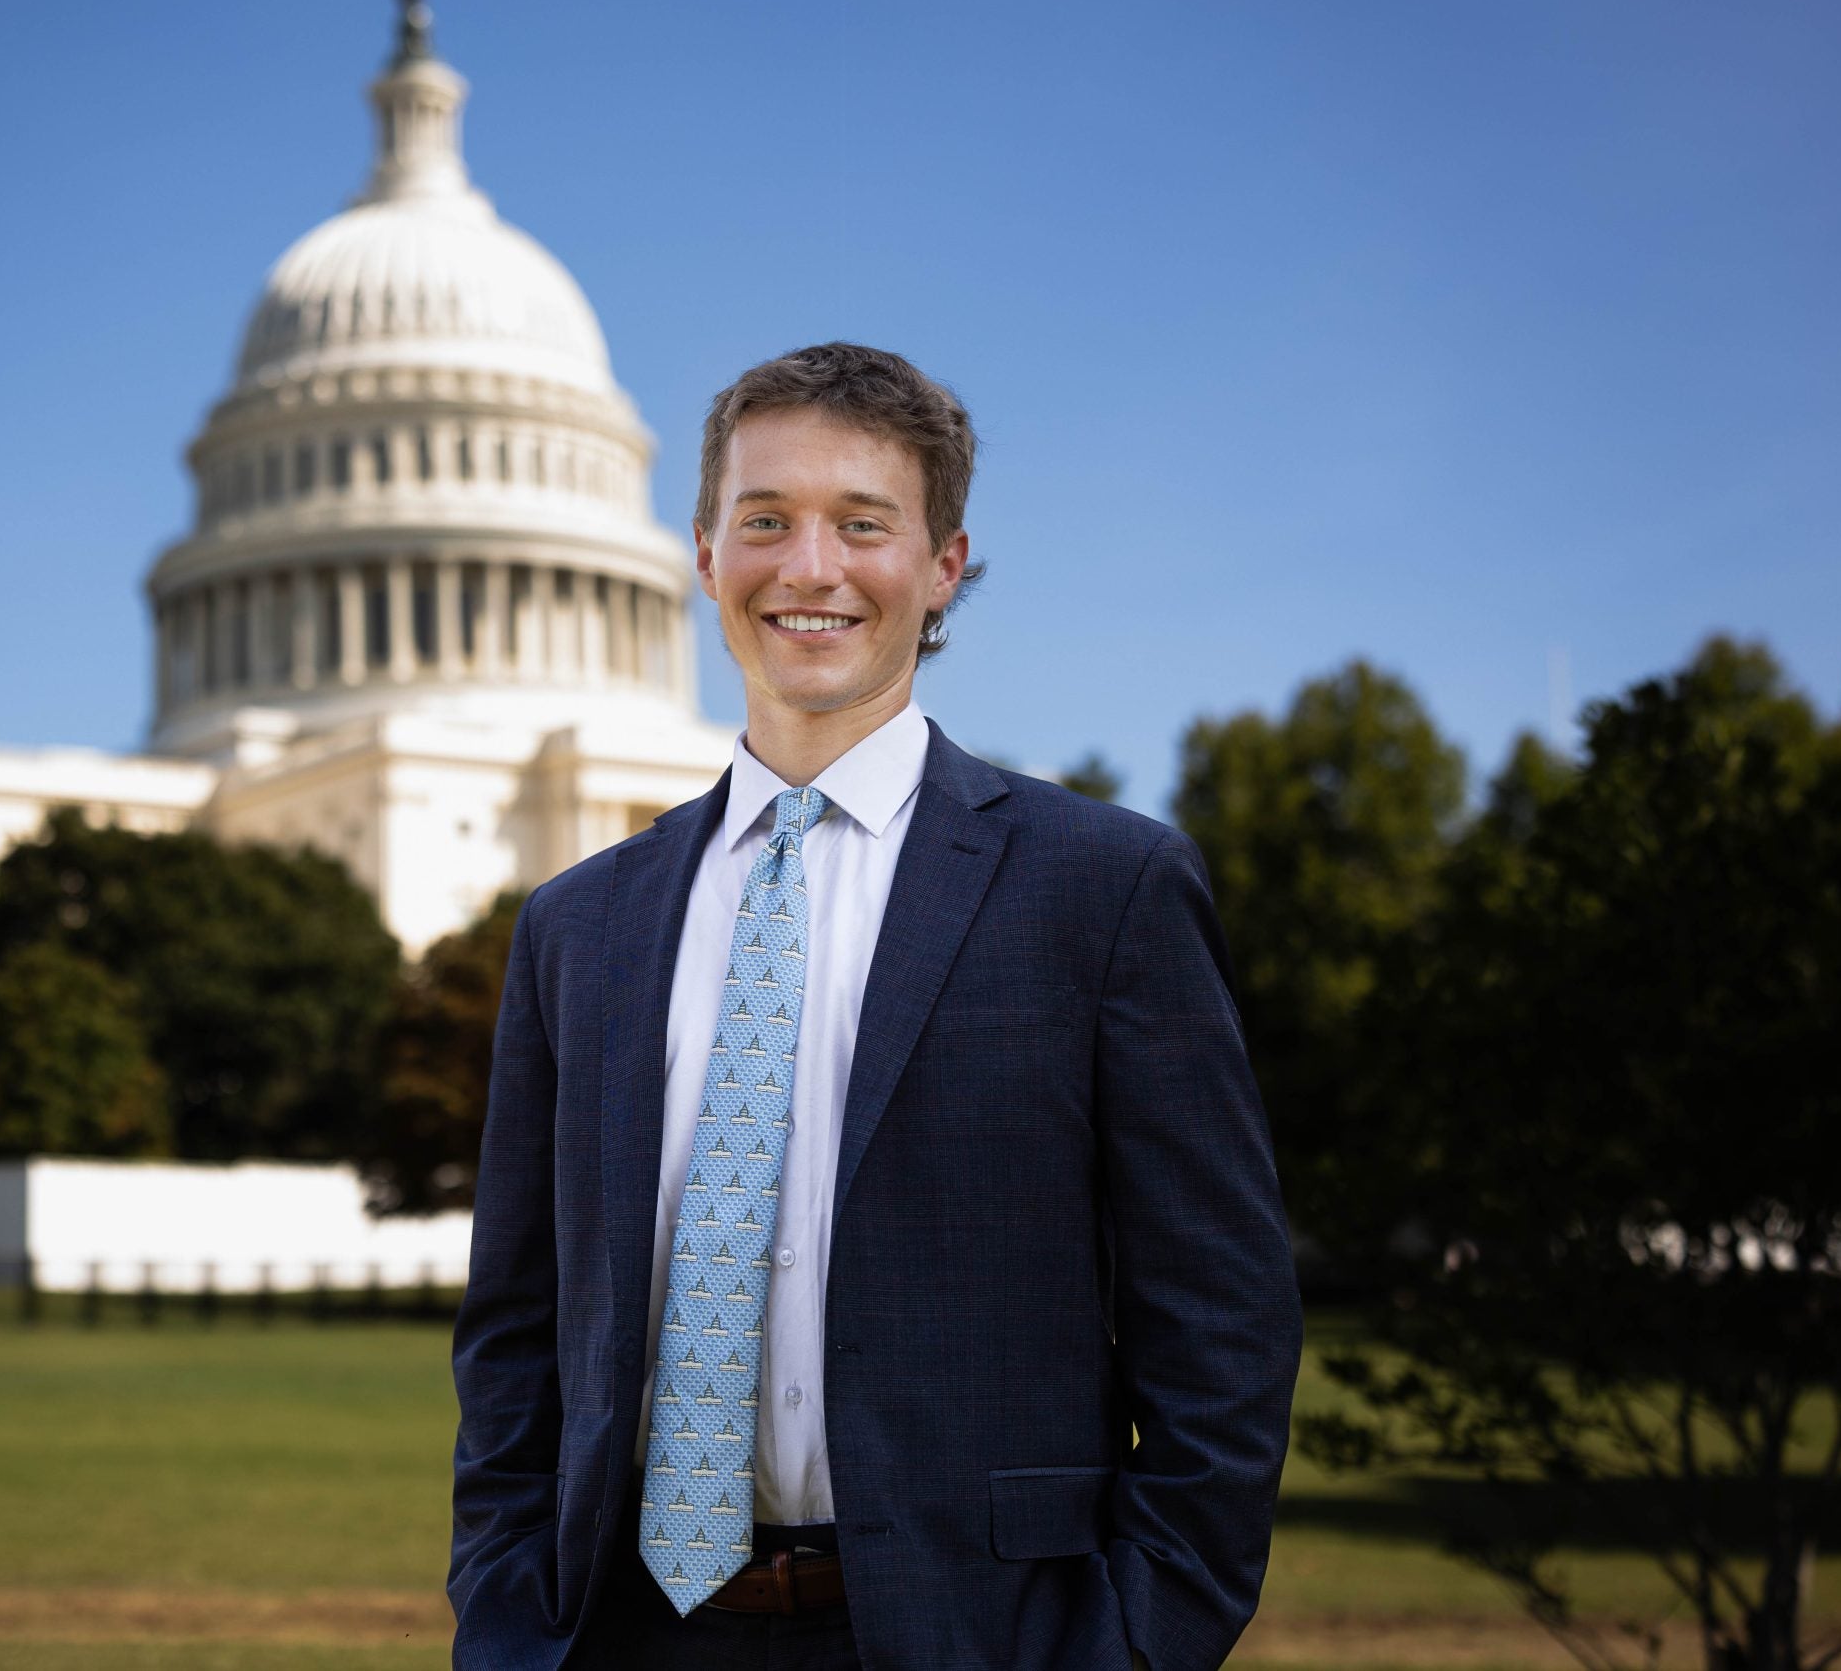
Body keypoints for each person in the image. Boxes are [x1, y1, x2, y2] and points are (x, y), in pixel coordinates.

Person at [450, 342, 1301, 1670]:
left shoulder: (1103, 890)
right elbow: (515, 1331)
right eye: (766, 521)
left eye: (863, 525)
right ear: (701, 554)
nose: (809, 569)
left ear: (944, 565)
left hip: (978, 1634)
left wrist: (1133, 1648)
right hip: (627, 1632)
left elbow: (1223, 1332)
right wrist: (508, 1622)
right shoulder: (580, 927)